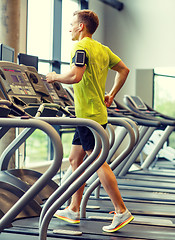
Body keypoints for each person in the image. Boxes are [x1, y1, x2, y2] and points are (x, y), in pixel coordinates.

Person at [46, 9, 134, 233]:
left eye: (72, 24)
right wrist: (111, 94)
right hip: (89, 115)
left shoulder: (81, 47)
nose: (69, 28)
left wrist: (54, 77)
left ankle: (121, 210)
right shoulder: (102, 49)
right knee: (75, 159)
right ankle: (74, 208)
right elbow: (124, 69)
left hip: (89, 116)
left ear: (81, 27)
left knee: (98, 163)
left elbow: (75, 76)